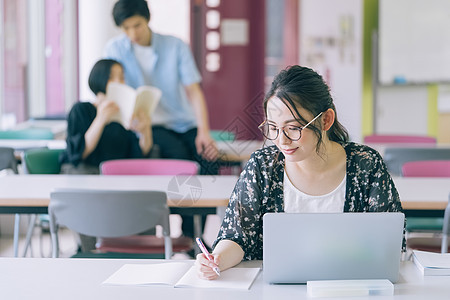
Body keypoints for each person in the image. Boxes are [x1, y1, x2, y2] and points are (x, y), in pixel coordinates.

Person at [196, 65, 404, 280]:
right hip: (275, 291)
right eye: (273, 128)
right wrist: (217, 258)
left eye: (293, 128)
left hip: (348, 286)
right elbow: (237, 237)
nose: (282, 140)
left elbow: (390, 241)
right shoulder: (262, 167)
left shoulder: (365, 165)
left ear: (326, 120)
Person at [103, 0, 218, 241]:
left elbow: (194, 92)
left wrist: (204, 132)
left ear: (147, 20)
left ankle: (192, 234)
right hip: (147, 126)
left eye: (137, 26)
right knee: (182, 160)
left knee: (208, 161)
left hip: (182, 121)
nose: (132, 33)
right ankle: (186, 235)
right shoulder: (115, 49)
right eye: (126, 28)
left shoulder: (175, 46)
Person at [61, 58, 152, 174]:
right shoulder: (80, 110)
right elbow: (78, 154)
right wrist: (100, 120)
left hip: (116, 176)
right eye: (111, 77)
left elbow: (139, 154)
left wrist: (145, 131)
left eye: (122, 78)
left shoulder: (123, 115)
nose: (118, 82)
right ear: (99, 78)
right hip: (85, 174)